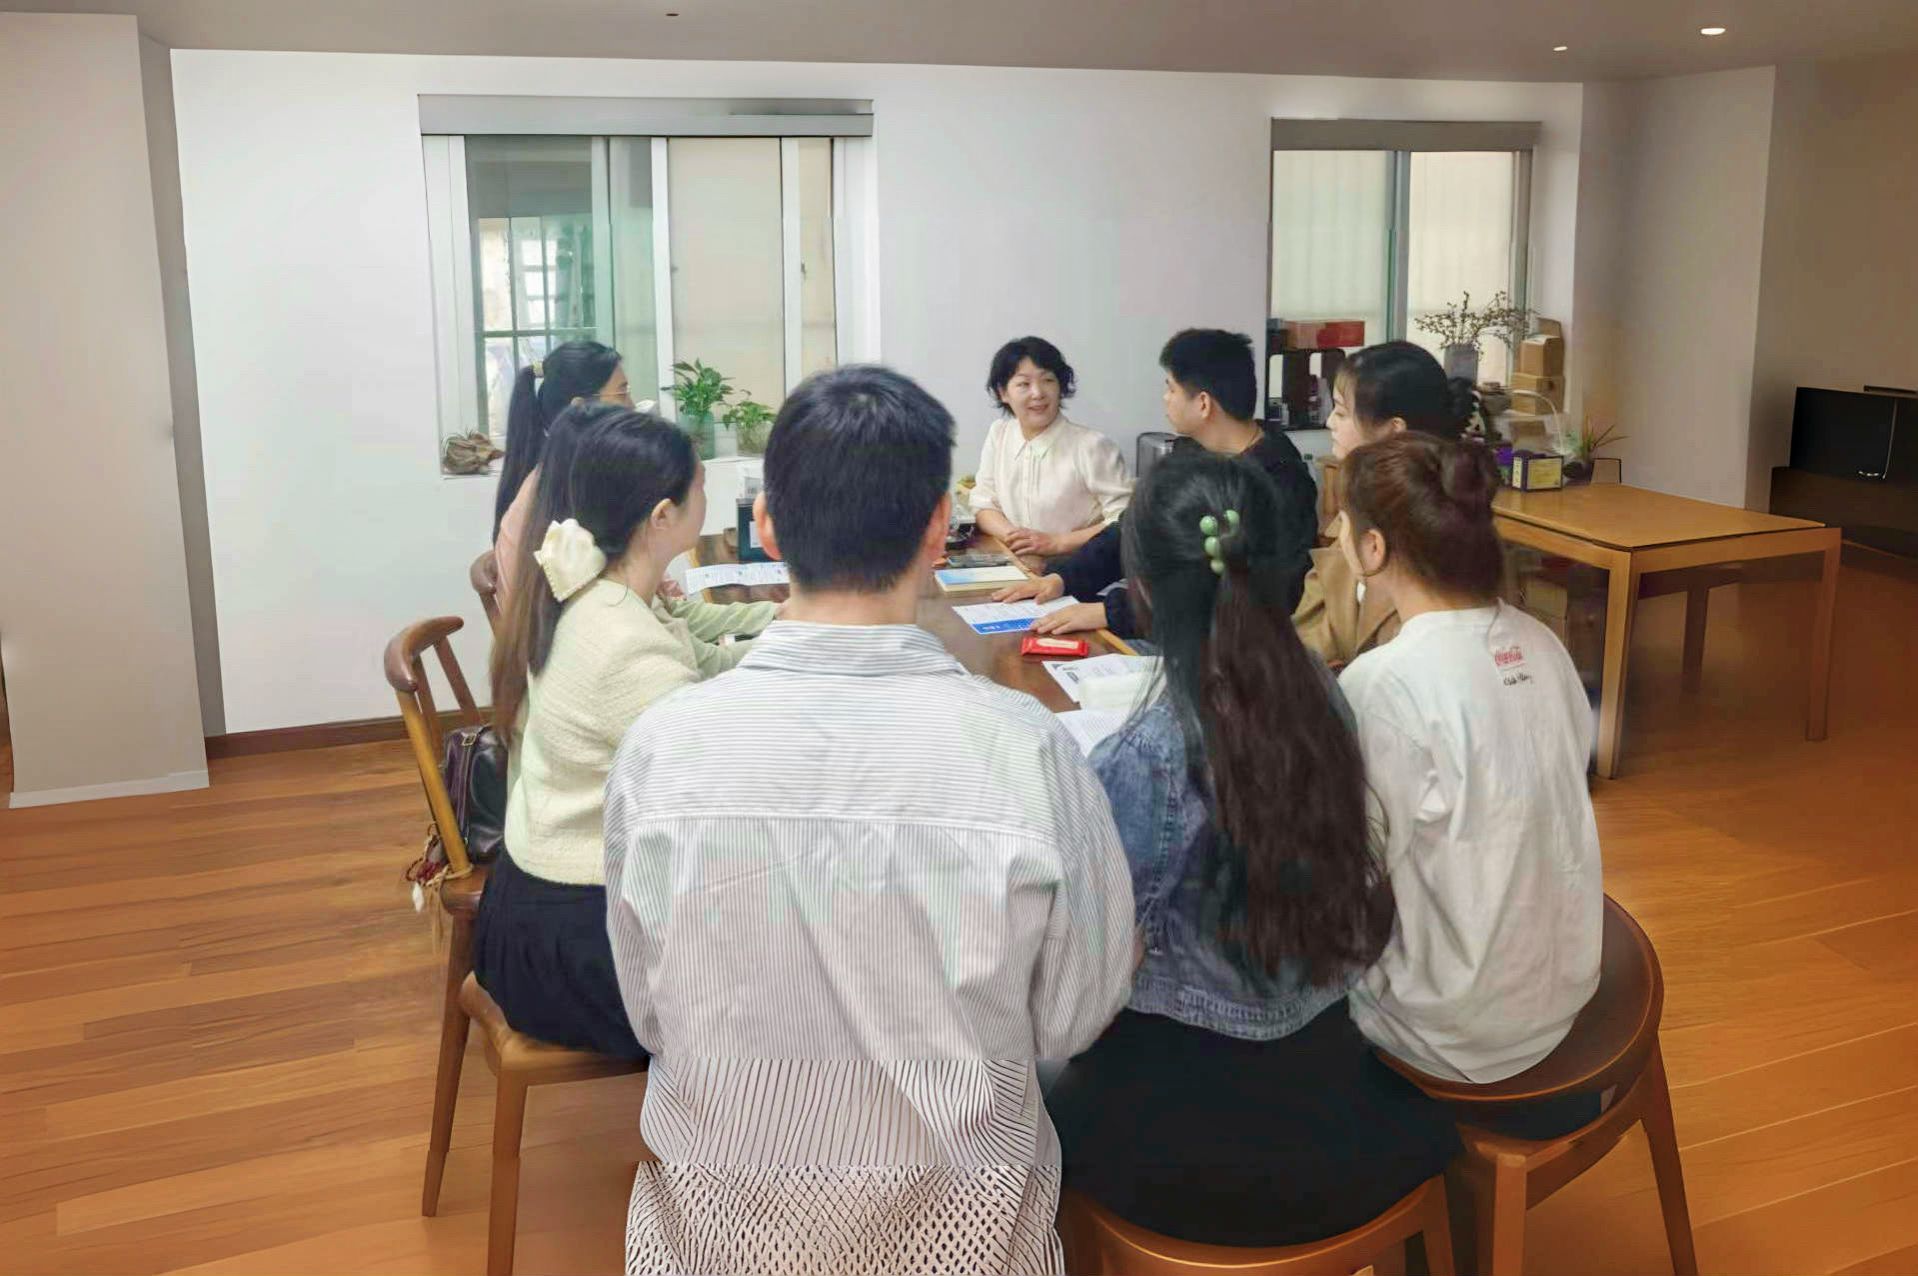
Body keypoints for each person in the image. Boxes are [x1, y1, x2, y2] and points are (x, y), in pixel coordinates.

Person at [603, 365, 1136, 1275]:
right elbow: (1071, 1019)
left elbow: (649, 1016)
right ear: (939, 527)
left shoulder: (662, 750)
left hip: (718, 1243)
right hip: (968, 1244)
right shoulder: (1029, 752)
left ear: (768, 525)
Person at [1044, 450, 1456, 1247]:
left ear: (1141, 592)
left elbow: (1091, 980)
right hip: (1335, 1085)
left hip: (1186, 1131)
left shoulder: (1140, 760)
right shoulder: (1324, 689)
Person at [474, 409, 773, 1059]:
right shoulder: (619, 638)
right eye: (700, 487)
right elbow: (720, 779)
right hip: (563, 942)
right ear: (663, 516)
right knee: (785, 975)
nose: (707, 500)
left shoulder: (599, 592)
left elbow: (700, 677)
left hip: (540, 905)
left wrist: (800, 637)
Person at [1337, 433, 1603, 1101]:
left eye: (1342, 523)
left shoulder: (1383, 683)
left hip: (1451, 1033)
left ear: (1373, 549)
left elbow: (1351, 868)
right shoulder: (1543, 642)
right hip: (1566, 987)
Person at [992, 329, 1317, 640]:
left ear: (1203, 404)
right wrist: (1061, 579)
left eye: (1171, 389)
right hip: (1158, 625)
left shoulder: (1278, 483)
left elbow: (1233, 593)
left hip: (1229, 648)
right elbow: (1131, 531)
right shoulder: (1190, 452)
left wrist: (1112, 612)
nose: (1165, 399)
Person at [1293, 340, 1476, 667]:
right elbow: (1307, 640)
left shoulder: (1447, 533)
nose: (1329, 422)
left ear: (1394, 431)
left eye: (1342, 412)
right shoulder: (1352, 514)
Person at [968, 336, 1131, 562]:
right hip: (1017, 567)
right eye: (1024, 384)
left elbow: (1126, 521)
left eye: (1047, 380)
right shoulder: (1000, 434)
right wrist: (1020, 540)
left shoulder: (1092, 446)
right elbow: (983, 503)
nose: (1038, 393)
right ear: (1002, 392)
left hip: (1076, 572)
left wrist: (1056, 543)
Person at [492, 339, 631, 551]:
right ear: (580, 408)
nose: (631, 405)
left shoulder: (564, 473)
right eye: (622, 394)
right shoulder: (569, 487)